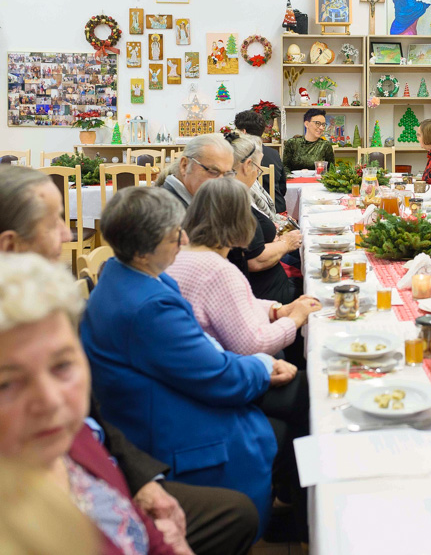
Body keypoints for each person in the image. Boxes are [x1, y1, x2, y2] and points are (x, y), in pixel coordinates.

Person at [0, 166, 259, 555]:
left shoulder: (62, 305)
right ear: (9, 245)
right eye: (53, 220)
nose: (70, 233)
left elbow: (92, 422)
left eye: (63, 366)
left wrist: (143, 483)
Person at [79, 187, 296, 534]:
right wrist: (263, 366)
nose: (182, 238)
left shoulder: (129, 274)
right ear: (147, 245)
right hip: (161, 427)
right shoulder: (149, 305)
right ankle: (276, 520)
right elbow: (217, 376)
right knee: (283, 423)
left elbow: (199, 347)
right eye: (174, 233)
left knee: (283, 419)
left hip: (153, 401)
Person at [0, 252, 175, 555]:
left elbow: (136, 523)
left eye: (62, 366)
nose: (51, 401)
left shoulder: (69, 437)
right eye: (7, 383)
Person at [166, 177, 320, 356]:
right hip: (231, 367)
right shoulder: (218, 271)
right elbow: (255, 345)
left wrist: (277, 311)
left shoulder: (179, 255)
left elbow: (235, 306)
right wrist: (295, 319)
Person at [225, 133, 304, 305]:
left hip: (267, 288)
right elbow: (255, 260)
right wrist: (286, 243)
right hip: (266, 298)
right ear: (247, 165)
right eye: (257, 168)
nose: (256, 174)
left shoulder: (231, 192)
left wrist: (276, 239)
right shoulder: (233, 200)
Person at [158, 133, 235, 206]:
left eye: (227, 174)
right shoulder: (166, 210)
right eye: (213, 172)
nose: (221, 182)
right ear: (184, 166)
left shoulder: (198, 201)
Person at [235, 109, 288, 213]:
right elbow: (282, 188)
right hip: (277, 208)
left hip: (251, 211)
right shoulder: (274, 153)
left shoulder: (236, 156)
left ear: (243, 132)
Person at [281, 108, 335, 173]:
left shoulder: (325, 145)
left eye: (323, 125)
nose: (321, 128)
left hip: (318, 182)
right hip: (294, 181)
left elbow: (331, 170)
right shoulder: (292, 143)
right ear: (307, 124)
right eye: (317, 123)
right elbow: (284, 168)